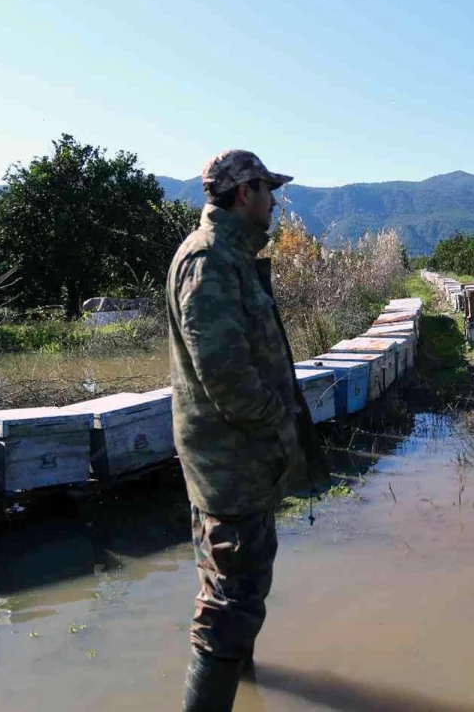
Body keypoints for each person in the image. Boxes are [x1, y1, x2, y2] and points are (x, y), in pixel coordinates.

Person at [166, 148, 326, 711]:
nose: (275, 202)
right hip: (230, 466)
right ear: (243, 194)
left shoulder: (231, 256)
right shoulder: (210, 262)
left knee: (238, 593)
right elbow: (228, 382)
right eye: (267, 191)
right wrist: (277, 420)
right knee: (229, 606)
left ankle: (245, 687)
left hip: (239, 463)